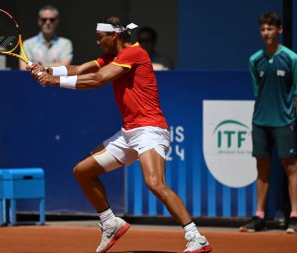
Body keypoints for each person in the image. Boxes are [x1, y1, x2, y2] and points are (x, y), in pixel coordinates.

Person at [29, 16, 213, 253]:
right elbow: (79, 68)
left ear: (113, 36)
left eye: (99, 37)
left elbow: (96, 79)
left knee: (155, 183)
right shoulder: (112, 57)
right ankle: (110, 223)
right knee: (82, 172)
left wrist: (53, 81)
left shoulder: (134, 54)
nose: (97, 42)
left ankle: (196, 236)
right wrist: (45, 69)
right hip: (128, 134)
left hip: (150, 129)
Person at [239, 12, 297, 234]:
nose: (266, 33)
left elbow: (296, 93)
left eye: (270, 28)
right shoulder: (255, 60)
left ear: (279, 30)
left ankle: (294, 217)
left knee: (290, 167)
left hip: (285, 121)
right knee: (261, 168)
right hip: (260, 121)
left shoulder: (292, 58)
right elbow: (258, 91)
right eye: (263, 29)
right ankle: (260, 216)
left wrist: (293, 119)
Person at [19, 5, 73, 70]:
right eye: (44, 20)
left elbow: (65, 66)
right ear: (39, 21)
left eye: (52, 20)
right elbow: (24, 68)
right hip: (33, 80)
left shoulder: (65, 43)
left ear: (57, 21)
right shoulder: (28, 43)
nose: (48, 22)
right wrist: (56, 66)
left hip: (57, 80)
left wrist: (40, 66)